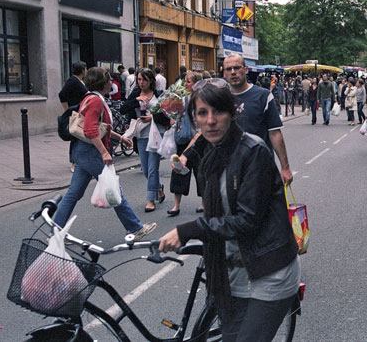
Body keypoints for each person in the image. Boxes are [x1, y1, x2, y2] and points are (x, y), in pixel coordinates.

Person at [157, 80, 301, 341]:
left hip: (268, 269)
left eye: (218, 112)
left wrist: (191, 229)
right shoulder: (212, 154)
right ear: (195, 120)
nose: (210, 120)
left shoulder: (253, 151)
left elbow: (248, 220)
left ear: (232, 114)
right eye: (202, 113)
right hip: (233, 273)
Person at [54, 67, 157, 238]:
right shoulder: (95, 101)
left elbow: (102, 128)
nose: (112, 82)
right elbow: (90, 130)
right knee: (114, 190)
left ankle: (55, 231)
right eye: (109, 80)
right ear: (102, 83)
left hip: (82, 151)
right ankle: (135, 228)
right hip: (92, 152)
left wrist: (119, 137)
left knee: (73, 193)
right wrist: (104, 152)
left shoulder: (90, 97)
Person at [214, 55, 294, 185]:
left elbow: (274, 133)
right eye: (229, 69)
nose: (233, 72)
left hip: (259, 167)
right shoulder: (220, 98)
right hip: (229, 167)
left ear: (245, 70)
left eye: (237, 68)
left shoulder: (263, 96)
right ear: (224, 73)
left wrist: (285, 168)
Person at [121, 68, 169, 212]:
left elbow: (166, 116)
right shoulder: (135, 93)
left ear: (151, 81)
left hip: (155, 135)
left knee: (153, 169)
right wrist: (136, 100)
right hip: (141, 136)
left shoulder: (159, 95)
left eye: (144, 80)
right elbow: (123, 109)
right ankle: (158, 187)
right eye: (139, 79)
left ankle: (150, 200)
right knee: (146, 170)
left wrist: (152, 117)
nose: (141, 83)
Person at [168, 72, 203, 217]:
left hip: (200, 140)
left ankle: (204, 202)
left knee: (201, 173)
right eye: (185, 81)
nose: (186, 84)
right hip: (184, 140)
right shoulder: (183, 100)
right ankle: (176, 205)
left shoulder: (203, 101)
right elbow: (174, 117)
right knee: (178, 170)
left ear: (197, 84)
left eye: (189, 81)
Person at [59, 62, 88, 173]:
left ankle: (79, 160)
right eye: (85, 68)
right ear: (82, 70)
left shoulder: (80, 81)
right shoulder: (72, 81)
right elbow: (62, 95)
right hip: (75, 113)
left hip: (81, 113)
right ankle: (74, 162)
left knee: (80, 136)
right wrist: (68, 110)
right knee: (76, 137)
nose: (86, 70)